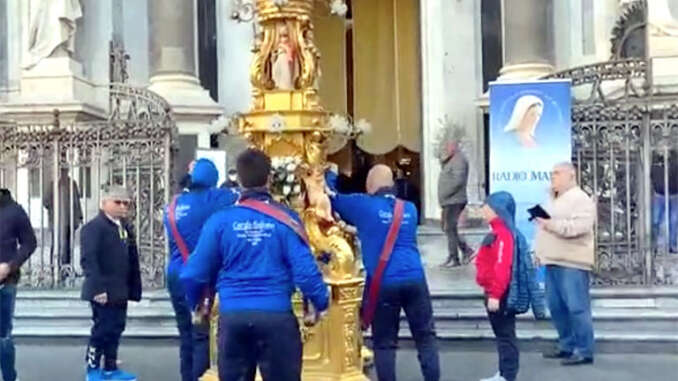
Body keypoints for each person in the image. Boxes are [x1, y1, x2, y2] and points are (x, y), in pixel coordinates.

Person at [180, 149, 329, 381]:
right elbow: (306, 271)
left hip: (233, 316)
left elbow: (194, 273)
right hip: (276, 316)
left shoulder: (220, 221)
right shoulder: (286, 219)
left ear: (238, 180)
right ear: (270, 179)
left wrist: (197, 304)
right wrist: (320, 302)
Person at [326, 164, 440, 381]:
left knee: (385, 343)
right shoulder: (410, 210)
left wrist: (331, 174)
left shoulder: (363, 205)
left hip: (385, 282)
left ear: (370, 185)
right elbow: (386, 230)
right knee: (426, 337)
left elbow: (332, 198)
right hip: (415, 278)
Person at [163, 158, 239, 381]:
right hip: (201, 278)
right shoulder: (215, 199)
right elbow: (242, 195)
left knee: (185, 335)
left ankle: (186, 377)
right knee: (202, 336)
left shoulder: (174, 205)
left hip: (176, 274)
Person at [534, 162, 596, 366]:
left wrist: (550, 224)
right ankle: (566, 345)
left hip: (573, 263)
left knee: (577, 307)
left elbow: (580, 227)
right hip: (552, 261)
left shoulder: (581, 199)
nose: (553, 177)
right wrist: (538, 252)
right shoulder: (553, 200)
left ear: (571, 175)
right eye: (552, 174)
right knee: (556, 307)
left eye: (557, 173)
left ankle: (584, 350)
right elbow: (543, 230)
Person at [81, 186, 142, 381]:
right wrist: (97, 288)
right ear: (104, 203)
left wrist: (133, 287)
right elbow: (89, 259)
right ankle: (92, 368)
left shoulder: (124, 227)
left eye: (126, 203)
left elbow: (131, 258)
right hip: (103, 289)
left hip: (120, 289)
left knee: (116, 328)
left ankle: (110, 367)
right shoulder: (94, 228)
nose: (123, 206)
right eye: (118, 202)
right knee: (102, 329)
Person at [0, 188, 37, 381]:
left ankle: (9, 377)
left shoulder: (14, 211)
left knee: (3, 336)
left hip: (5, 283)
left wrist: (10, 266)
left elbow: (30, 242)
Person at [438, 140, 473, 267]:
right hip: (449, 201)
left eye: (448, 145)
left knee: (450, 228)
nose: (446, 148)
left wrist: (445, 193)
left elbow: (458, 181)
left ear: (455, 146)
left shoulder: (459, 160)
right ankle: (464, 251)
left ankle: (455, 257)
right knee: (447, 228)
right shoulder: (450, 160)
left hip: (454, 200)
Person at [43, 168, 83, 266]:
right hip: (66, 220)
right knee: (65, 244)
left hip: (62, 220)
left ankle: (58, 266)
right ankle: (63, 266)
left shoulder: (55, 184)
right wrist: (79, 216)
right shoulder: (69, 184)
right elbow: (77, 202)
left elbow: (46, 202)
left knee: (60, 244)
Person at [650, 150, 678, 253]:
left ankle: (672, 245)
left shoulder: (675, 162)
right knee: (655, 220)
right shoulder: (655, 162)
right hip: (659, 194)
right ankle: (655, 245)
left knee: (674, 221)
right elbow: (651, 175)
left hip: (674, 194)